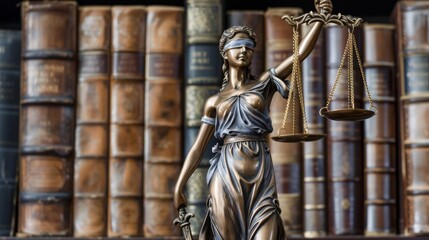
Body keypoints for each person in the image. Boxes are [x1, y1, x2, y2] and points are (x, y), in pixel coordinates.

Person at [174, 1, 332, 239]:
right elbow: (197, 148)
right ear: (224, 53)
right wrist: (179, 185)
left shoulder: (264, 83)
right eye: (237, 46)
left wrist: (320, 19)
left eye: (248, 46)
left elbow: (299, 55)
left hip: (260, 169)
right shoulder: (214, 101)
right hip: (225, 173)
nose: (244, 50)